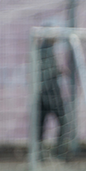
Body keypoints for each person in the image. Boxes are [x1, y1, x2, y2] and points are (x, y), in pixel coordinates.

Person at [36, 31, 69, 159]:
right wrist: (58, 71)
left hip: (44, 94)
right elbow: (47, 71)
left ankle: (43, 152)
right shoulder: (44, 50)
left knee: (41, 126)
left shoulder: (44, 49)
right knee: (63, 121)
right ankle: (57, 151)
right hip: (49, 95)